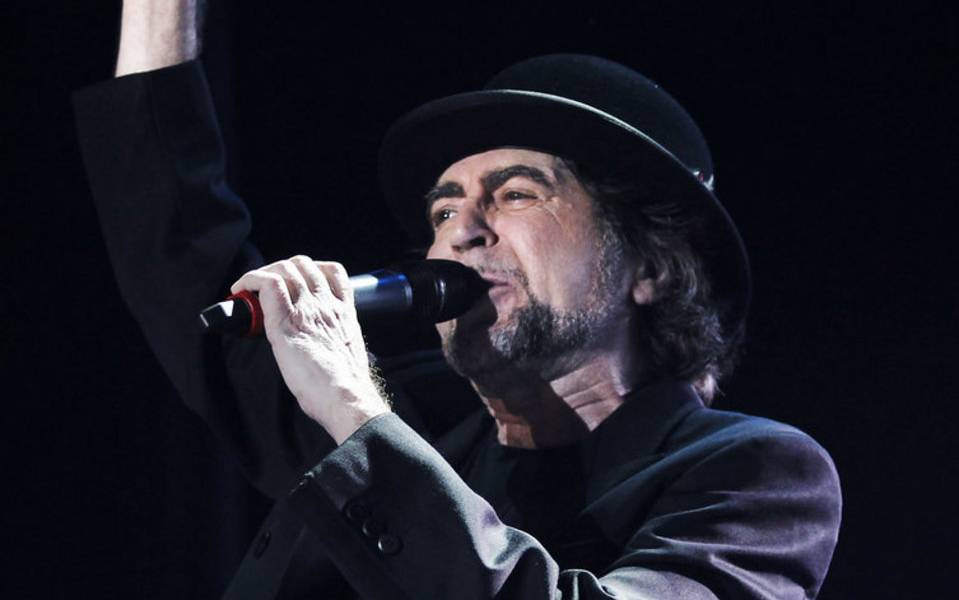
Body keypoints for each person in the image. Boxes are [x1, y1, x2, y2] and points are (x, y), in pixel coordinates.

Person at [74, 1, 842, 598]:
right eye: (443, 211)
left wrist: (352, 410)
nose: (461, 232)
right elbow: (180, 256)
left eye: (515, 194)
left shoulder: (752, 474)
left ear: (650, 265)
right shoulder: (417, 421)